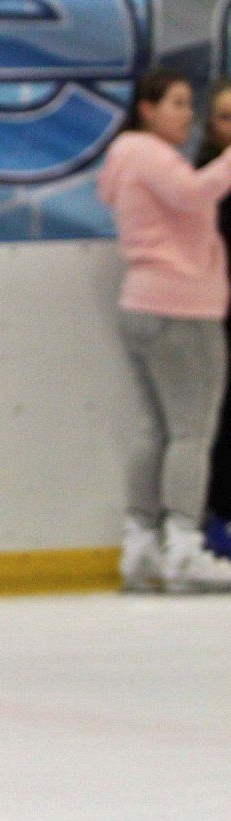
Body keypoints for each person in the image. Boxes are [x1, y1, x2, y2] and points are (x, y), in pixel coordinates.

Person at [95, 68, 231, 592]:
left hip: (144, 303)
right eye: (176, 102)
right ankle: (182, 544)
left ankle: (140, 541)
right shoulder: (150, 155)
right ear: (146, 108)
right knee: (191, 433)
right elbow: (195, 196)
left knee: (158, 429)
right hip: (182, 306)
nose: (187, 113)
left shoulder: (125, 157)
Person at [198, 79, 231, 560]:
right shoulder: (203, 178)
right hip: (220, 308)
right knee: (223, 414)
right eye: (225, 117)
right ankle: (218, 514)